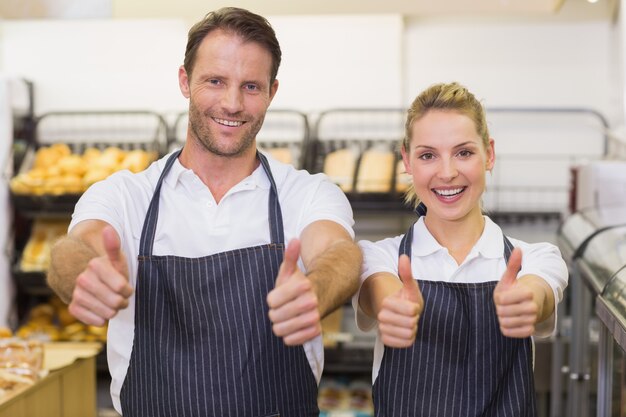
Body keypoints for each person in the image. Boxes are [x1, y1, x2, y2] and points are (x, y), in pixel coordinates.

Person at [47, 7, 362, 417]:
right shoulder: (127, 195)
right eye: (215, 81)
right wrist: (83, 275)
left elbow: (340, 252)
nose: (232, 103)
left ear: (272, 92)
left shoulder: (304, 193)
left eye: (251, 86)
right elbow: (73, 249)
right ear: (184, 81)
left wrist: (317, 289)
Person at [353, 82, 568, 416]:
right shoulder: (380, 257)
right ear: (407, 161)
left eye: (464, 152)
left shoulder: (535, 259)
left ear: (489, 154)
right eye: (427, 155)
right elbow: (376, 287)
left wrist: (526, 301)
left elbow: (537, 291)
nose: (448, 172)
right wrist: (391, 304)